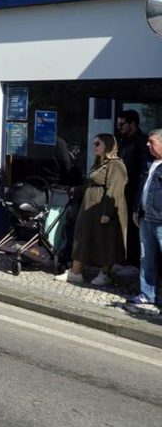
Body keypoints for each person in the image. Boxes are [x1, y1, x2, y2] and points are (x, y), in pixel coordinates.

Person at [56, 134, 128, 285]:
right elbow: (91, 184)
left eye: (98, 144)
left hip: (103, 208)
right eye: (94, 143)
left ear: (108, 145)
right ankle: (75, 272)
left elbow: (115, 189)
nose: (94, 147)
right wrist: (78, 190)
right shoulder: (99, 163)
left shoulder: (116, 164)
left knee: (106, 239)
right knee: (82, 237)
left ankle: (105, 273)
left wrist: (107, 212)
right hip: (89, 208)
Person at [127, 129, 162, 312]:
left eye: (152, 142)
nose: (147, 145)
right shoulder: (150, 163)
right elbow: (141, 188)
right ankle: (148, 294)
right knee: (146, 257)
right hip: (146, 217)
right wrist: (135, 209)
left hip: (160, 219)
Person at [116, 110, 148, 270]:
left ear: (132, 124)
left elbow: (143, 170)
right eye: (118, 124)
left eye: (122, 124)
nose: (119, 127)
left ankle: (133, 262)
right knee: (123, 225)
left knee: (132, 227)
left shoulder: (141, 143)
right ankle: (125, 259)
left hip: (133, 191)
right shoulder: (124, 141)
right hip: (123, 190)